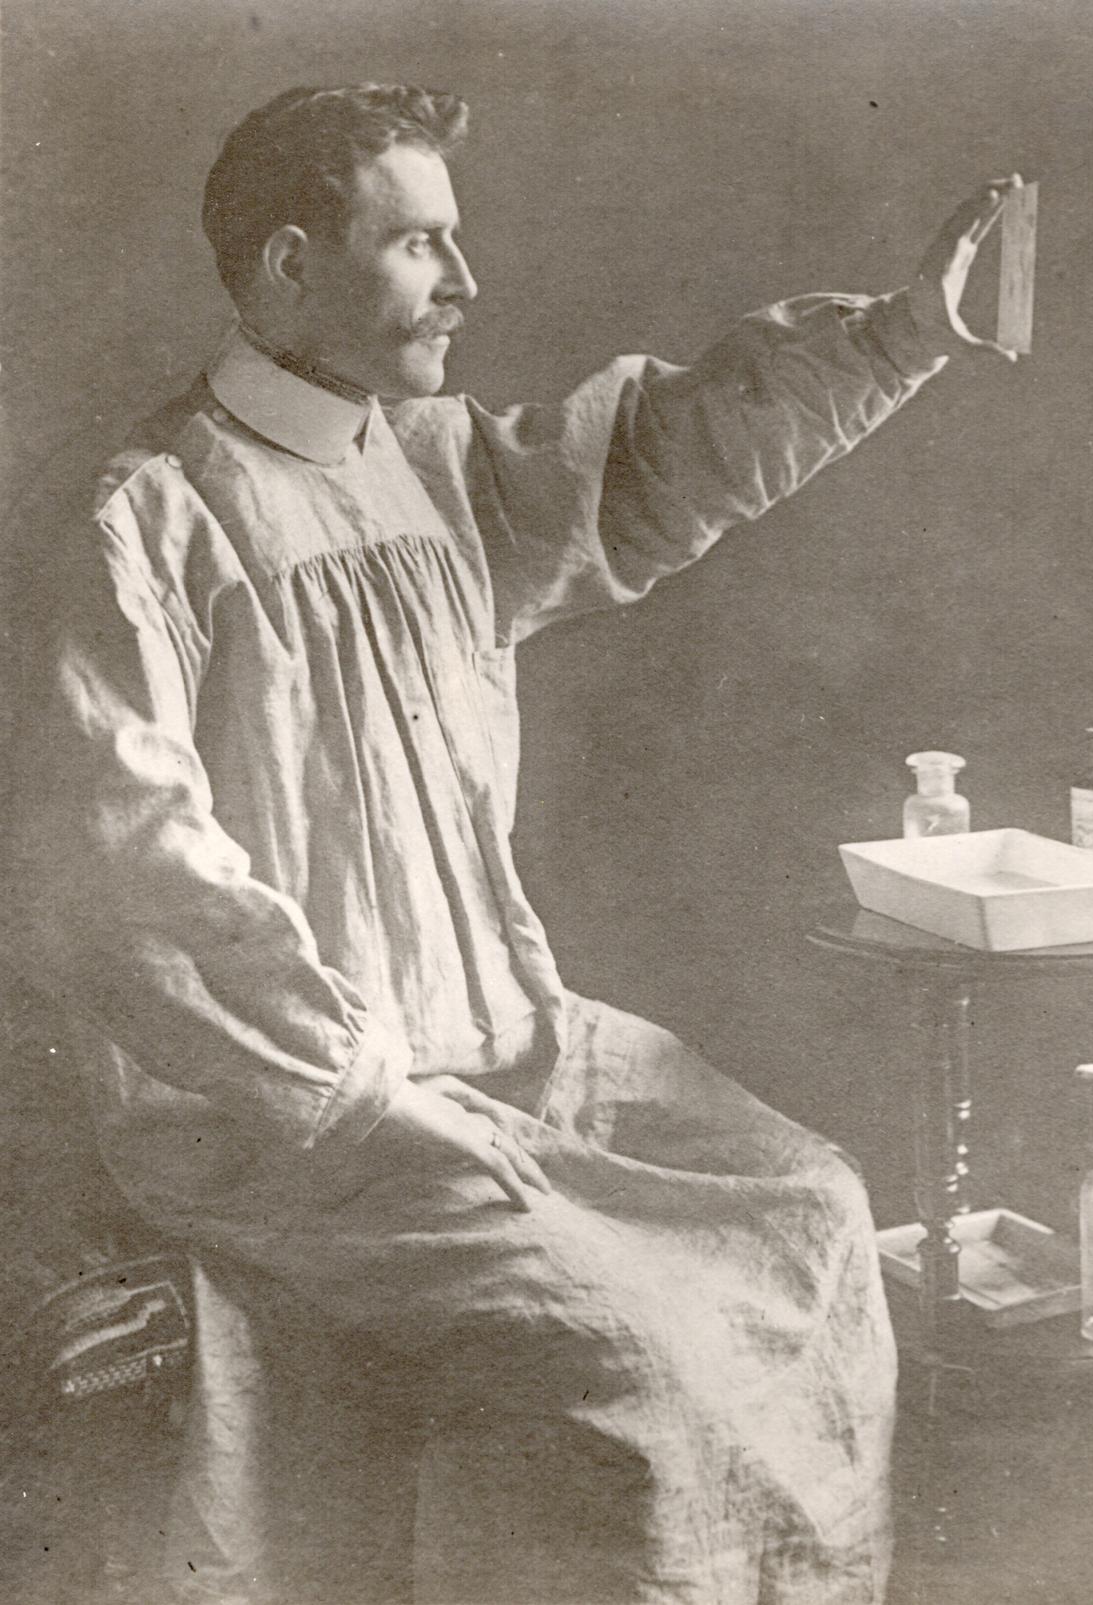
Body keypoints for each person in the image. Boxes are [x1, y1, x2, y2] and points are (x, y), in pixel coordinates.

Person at [4, 82, 1022, 1605]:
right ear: (289, 264)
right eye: (419, 243)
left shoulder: (436, 465)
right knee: (638, 1359)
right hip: (296, 1111)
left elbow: (656, 456)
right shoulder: (143, 521)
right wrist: (362, 1087)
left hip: (520, 1038)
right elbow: (124, 872)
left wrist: (900, 337)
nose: (465, 283)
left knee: (814, 1209)